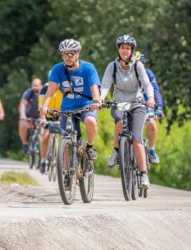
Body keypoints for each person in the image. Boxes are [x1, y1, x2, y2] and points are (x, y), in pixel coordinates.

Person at [100, 35, 155, 188]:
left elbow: (146, 83)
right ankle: (116, 150)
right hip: (119, 103)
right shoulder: (112, 66)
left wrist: (150, 97)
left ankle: (144, 175)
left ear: (132, 50)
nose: (125, 50)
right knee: (118, 121)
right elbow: (105, 84)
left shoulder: (138, 66)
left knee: (137, 138)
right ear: (118, 49)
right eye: (122, 47)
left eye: (128, 48)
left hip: (137, 104)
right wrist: (101, 98)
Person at [39, 39, 101, 164]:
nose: (67, 57)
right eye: (64, 54)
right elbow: (50, 91)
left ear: (78, 53)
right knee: (66, 140)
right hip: (67, 108)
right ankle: (67, 175)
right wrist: (44, 106)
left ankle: (90, 146)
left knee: (90, 121)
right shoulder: (57, 69)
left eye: (71, 54)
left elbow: (94, 87)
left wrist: (96, 101)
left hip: (86, 106)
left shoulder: (88, 68)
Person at [134, 51, 164, 164]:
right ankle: (121, 150)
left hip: (146, 104)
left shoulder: (148, 73)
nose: (139, 66)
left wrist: (159, 107)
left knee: (151, 122)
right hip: (131, 104)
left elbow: (156, 90)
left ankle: (151, 150)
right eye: (136, 63)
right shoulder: (127, 74)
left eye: (141, 63)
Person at [38, 78, 63, 174]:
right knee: (45, 138)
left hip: (61, 115)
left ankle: (62, 160)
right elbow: (41, 104)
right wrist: (43, 118)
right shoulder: (45, 89)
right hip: (48, 116)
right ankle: (43, 161)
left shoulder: (65, 88)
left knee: (64, 136)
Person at [18, 78, 43, 154]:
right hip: (29, 116)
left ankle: (40, 147)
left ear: (41, 86)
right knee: (22, 125)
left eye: (36, 86)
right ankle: (25, 144)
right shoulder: (28, 93)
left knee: (43, 130)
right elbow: (22, 104)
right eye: (33, 85)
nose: (34, 87)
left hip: (41, 116)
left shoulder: (44, 93)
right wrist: (22, 115)